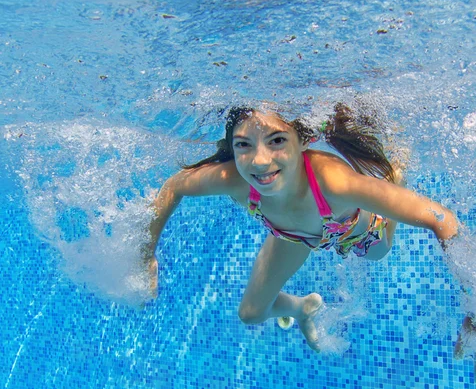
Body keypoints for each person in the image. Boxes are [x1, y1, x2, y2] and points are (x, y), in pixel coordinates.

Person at [143, 103, 459, 352]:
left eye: (276, 140)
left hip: (356, 231)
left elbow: (441, 218)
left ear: (303, 140)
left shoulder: (334, 183)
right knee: (251, 313)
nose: (259, 161)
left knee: (377, 253)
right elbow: (175, 186)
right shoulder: (234, 180)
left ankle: (393, 174)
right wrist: (145, 255)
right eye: (243, 145)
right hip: (291, 235)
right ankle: (302, 309)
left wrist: (475, 303)